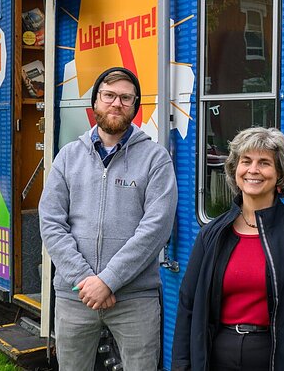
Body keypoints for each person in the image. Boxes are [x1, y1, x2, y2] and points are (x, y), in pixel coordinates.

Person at [40, 67, 177, 371]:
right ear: (96, 102)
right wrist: (84, 280)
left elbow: (156, 228)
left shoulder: (155, 159)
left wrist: (109, 281)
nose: (117, 103)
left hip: (134, 300)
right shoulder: (68, 156)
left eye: (126, 98)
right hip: (76, 296)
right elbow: (50, 221)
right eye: (109, 95)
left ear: (135, 105)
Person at [172, 127, 284, 371]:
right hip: (219, 356)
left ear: (279, 173)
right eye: (245, 161)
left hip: (278, 357)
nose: (253, 170)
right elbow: (188, 305)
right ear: (235, 170)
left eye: (264, 163)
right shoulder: (212, 234)